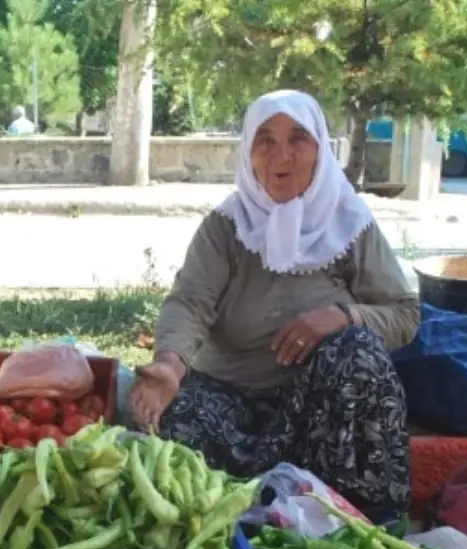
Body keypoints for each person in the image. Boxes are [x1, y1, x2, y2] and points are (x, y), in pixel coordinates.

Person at [129, 89, 420, 521]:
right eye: (265, 140)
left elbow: (405, 314)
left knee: (357, 351)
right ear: (248, 153)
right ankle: (251, 509)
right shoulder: (226, 227)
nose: (281, 156)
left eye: (298, 138)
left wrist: (343, 316)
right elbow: (190, 302)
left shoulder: (349, 224)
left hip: (319, 414)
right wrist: (170, 366)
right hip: (231, 403)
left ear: (320, 149)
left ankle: (355, 517)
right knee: (171, 422)